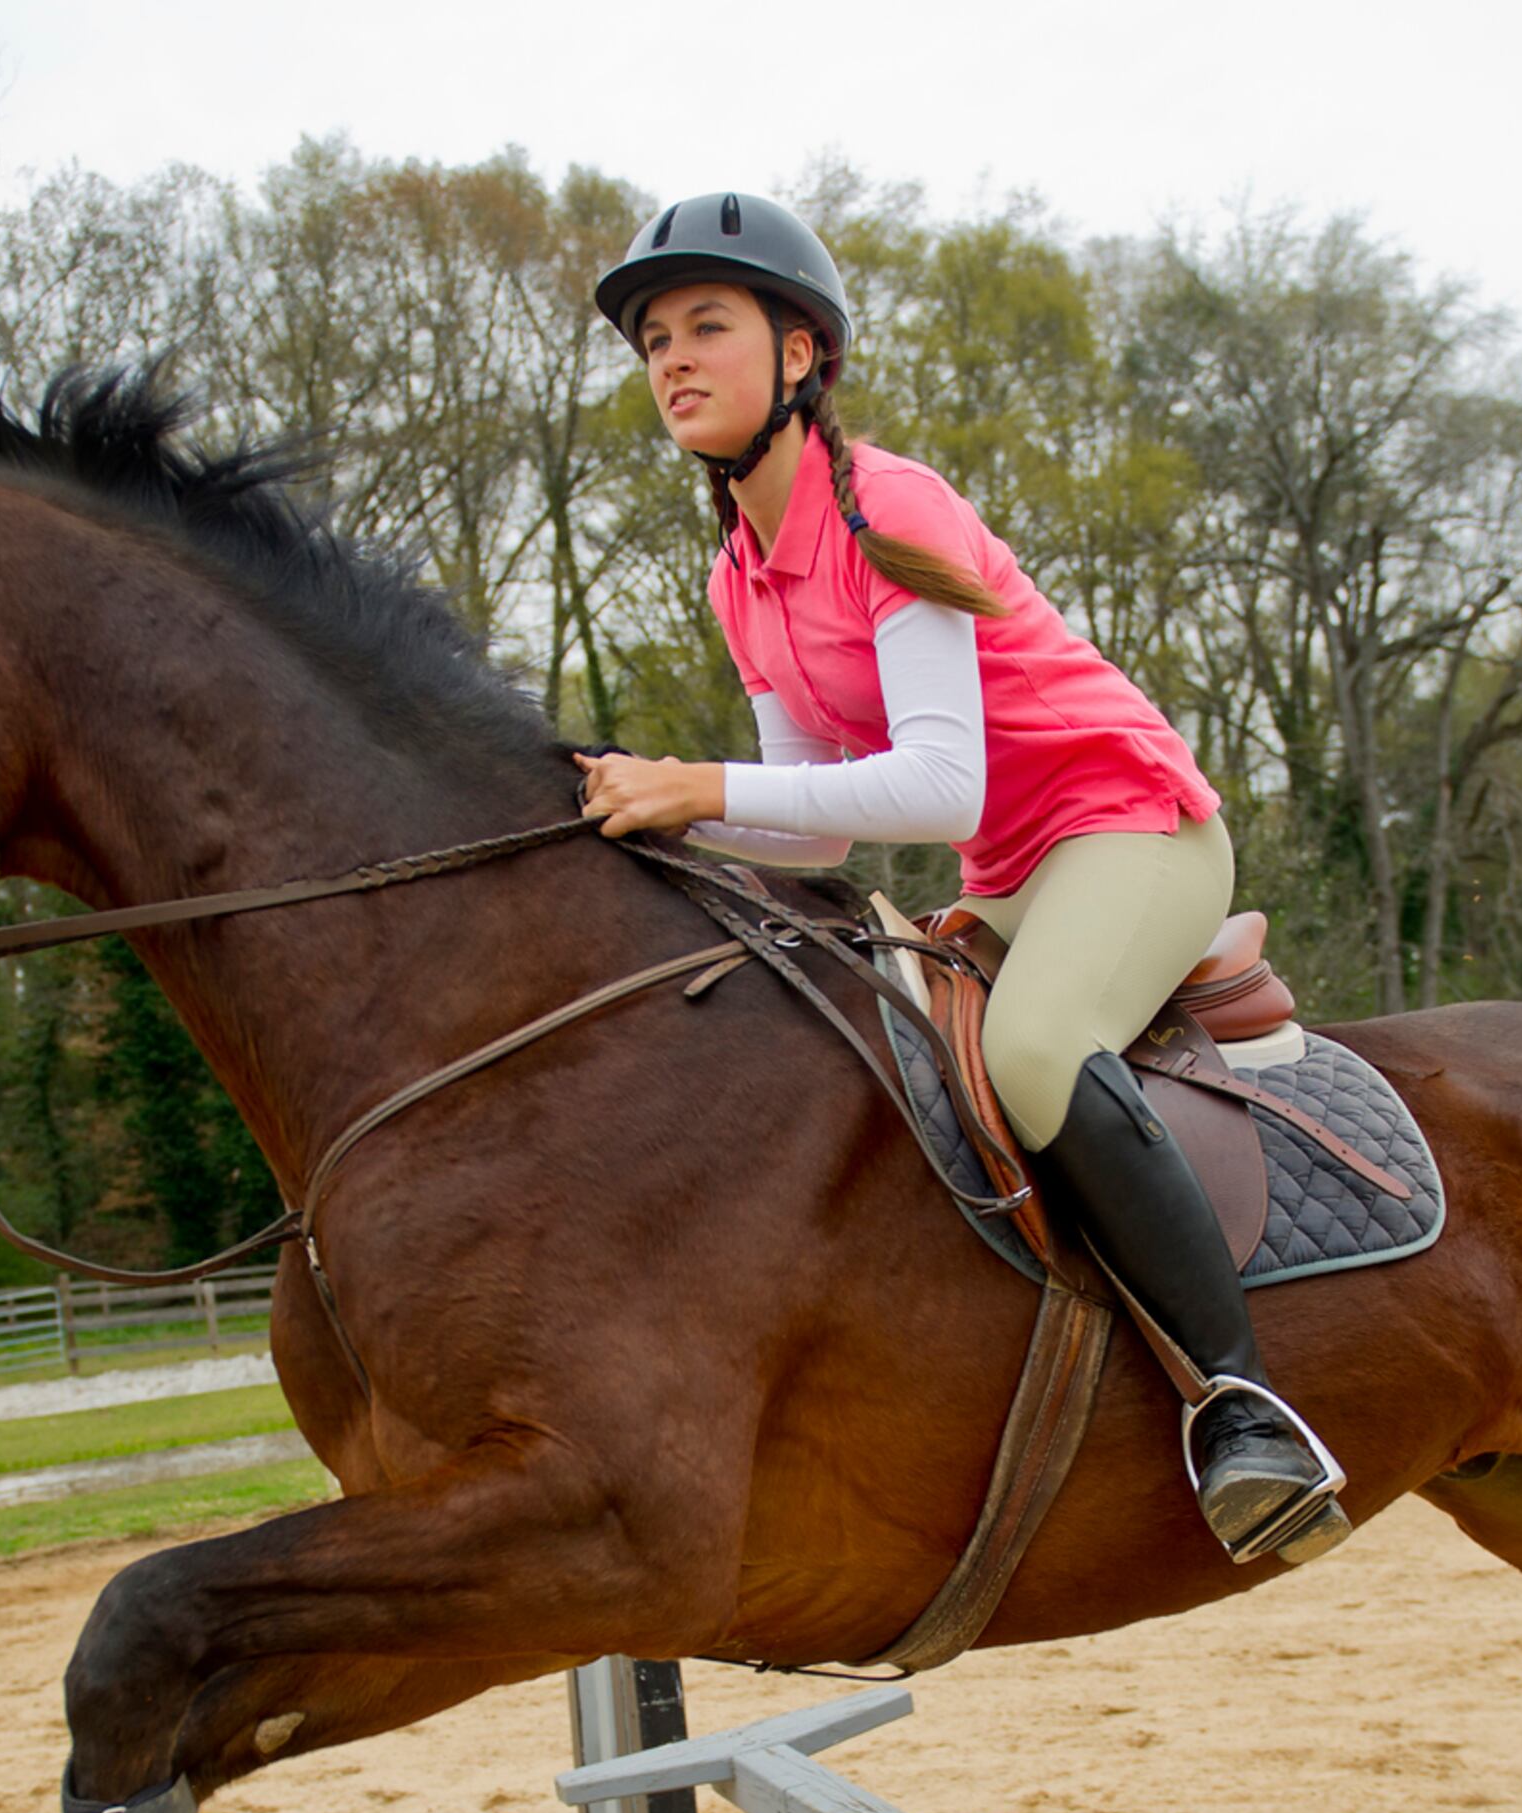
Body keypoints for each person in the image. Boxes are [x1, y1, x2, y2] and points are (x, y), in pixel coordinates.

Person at [573, 193, 1348, 1567]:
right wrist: (646, 818)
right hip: (1015, 872)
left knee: (1041, 1048)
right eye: (652, 341)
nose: (671, 359)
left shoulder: (888, 506)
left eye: (707, 326)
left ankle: (1250, 1407)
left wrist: (698, 786)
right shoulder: (739, 577)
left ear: (800, 356)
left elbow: (940, 786)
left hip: (1132, 826)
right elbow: (813, 833)